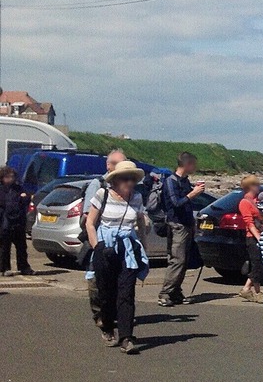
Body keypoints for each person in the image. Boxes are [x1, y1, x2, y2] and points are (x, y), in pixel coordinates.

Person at [85, 160, 150, 354]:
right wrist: (98, 246)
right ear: (116, 180)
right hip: (104, 247)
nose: (129, 182)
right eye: (125, 178)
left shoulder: (137, 197)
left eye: (132, 179)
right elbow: (89, 223)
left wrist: (143, 250)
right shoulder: (102, 195)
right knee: (106, 293)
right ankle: (106, 327)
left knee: (126, 293)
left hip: (127, 248)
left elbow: (139, 224)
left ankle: (126, 337)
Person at [157, 152, 206, 307]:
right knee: (177, 260)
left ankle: (176, 292)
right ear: (187, 164)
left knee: (184, 260)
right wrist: (193, 194)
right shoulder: (171, 182)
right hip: (177, 225)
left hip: (187, 223)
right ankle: (165, 293)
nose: (195, 167)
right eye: (194, 164)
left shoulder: (184, 181)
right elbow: (175, 203)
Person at [0, 166, 33, 276]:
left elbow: (26, 199)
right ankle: (4, 268)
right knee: (4, 247)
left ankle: (24, 267)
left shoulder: (18, 188)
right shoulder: (2, 189)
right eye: (8, 177)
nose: (11, 179)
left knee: (22, 247)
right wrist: (19, 199)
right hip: (5, 222)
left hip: (18, 221)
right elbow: (6, 203)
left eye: (12, 177)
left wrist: (24, 198)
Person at [237, 175, 263, 302]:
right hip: (252, 237)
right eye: (257, 185)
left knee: (257, 264)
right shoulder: (244, 202)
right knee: (257, 264)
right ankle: (247, 289)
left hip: (259, 234)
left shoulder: (255, 201)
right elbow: (249, 222)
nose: (259, 187)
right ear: (251, 186)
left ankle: (257, 292)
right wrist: (258, 237)